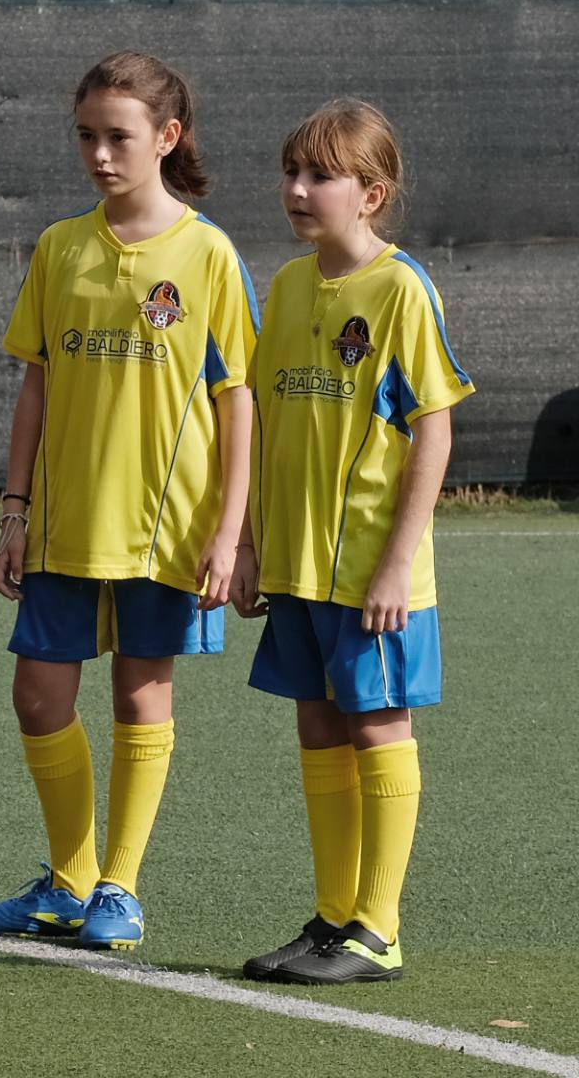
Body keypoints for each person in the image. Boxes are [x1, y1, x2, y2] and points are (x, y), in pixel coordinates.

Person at [0, 50, 258, 951]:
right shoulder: (61, 246)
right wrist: (12, 510)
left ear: (167, 138)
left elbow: (236, 397)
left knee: (142, 695)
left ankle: (119, 889)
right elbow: (36, 385)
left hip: (164, 531)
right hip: (59, 524)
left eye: (118, 137)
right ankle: (67, 877)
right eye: (87, 136)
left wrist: (230, 530)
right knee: (37, 698)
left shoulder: (207, 252)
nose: (99, 154)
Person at [234, 100, 472, 986]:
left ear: (371, 193)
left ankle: (379, 928)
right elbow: (266, 429)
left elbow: (434, 433)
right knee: (320, 726)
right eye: (292, 171)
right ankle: (334, 916)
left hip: (373, 570)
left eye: (320, 175)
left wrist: (397, 564)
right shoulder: (292, 287)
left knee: (378, 727)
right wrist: (253, 542)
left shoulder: (400, 288)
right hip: (298, 566)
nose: (297, 189)